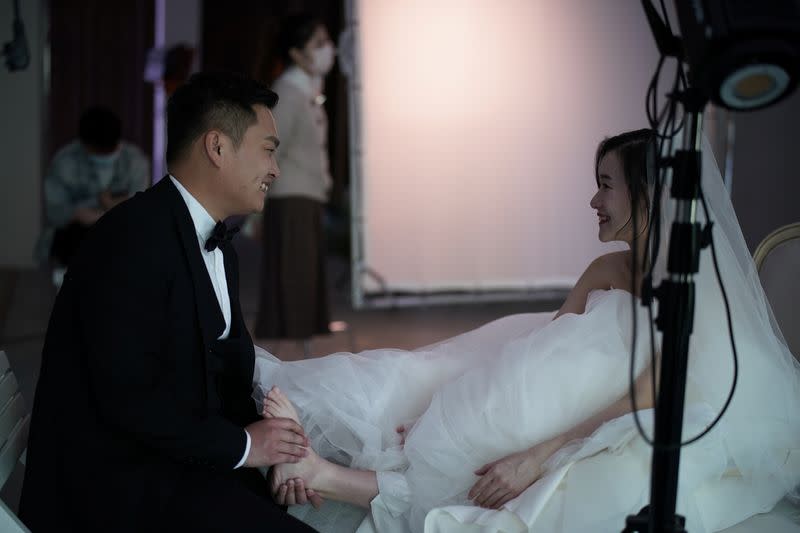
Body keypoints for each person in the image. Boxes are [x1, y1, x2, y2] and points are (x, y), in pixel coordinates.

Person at [251, 129, 800, 532]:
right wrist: (445, 406)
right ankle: (300, 445)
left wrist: (541, 453)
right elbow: (542, 352)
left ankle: (324, 473)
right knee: (426, 381)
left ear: (646, 191)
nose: (593, 200)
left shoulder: (690, 278)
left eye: (606, 185)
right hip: (575, 393)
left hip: (647, 412)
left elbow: (662, 387)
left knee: (497, 432)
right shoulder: (609, 270)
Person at [19, 72, 318, 532]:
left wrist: (274, 447)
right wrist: (244, 447)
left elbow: (221, 375)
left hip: (183, 460)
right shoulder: (131, 240)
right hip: (119, 488)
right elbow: (126, 397)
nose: (275, 169)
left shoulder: (217, 247)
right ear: (217, 147)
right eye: (269, 148)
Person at [253, 14, 335, 347]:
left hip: (306, 194)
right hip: (291, 196)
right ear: (297, 53)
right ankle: (286, 360)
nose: (328, 50)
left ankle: (297, 351)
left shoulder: (307, 90)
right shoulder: (287, 91)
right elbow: (272, 145)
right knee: (293, 276)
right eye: (318, 44)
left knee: (302, 274)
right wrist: (260, 196)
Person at [35, 106, 149, 268]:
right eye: (97, 152)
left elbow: (140, 210)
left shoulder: (135, 161)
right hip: (74, 240)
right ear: (84, 144)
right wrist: (77, 213)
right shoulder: (65, 161)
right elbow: (54, 211)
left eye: (109, 152)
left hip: (122, 240)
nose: (104, 157)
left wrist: (110, 206)